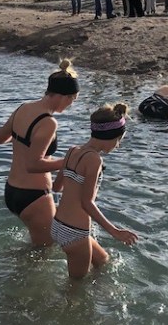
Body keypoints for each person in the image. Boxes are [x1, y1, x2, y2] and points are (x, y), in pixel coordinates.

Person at [0, 59, 79, 246]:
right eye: (72, 100)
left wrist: (22, 142)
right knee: (43, 254)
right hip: (34, 195)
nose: (70, 105)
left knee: (34, 249)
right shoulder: (48, 122)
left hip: (12, 191)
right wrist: (69, 160)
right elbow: (33, 165)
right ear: (63, 96)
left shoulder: (23, 108)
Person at [51, 102, 138, 278]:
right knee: (75, 290)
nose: (117, 146)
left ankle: (101, 295)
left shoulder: (72, 151)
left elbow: (57, 187)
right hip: (75, 232)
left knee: (103, 260)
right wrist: (115, 231)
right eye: (119, 140)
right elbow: (86, 202)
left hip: (58, 225)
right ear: (112, 136)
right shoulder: (94, 160)